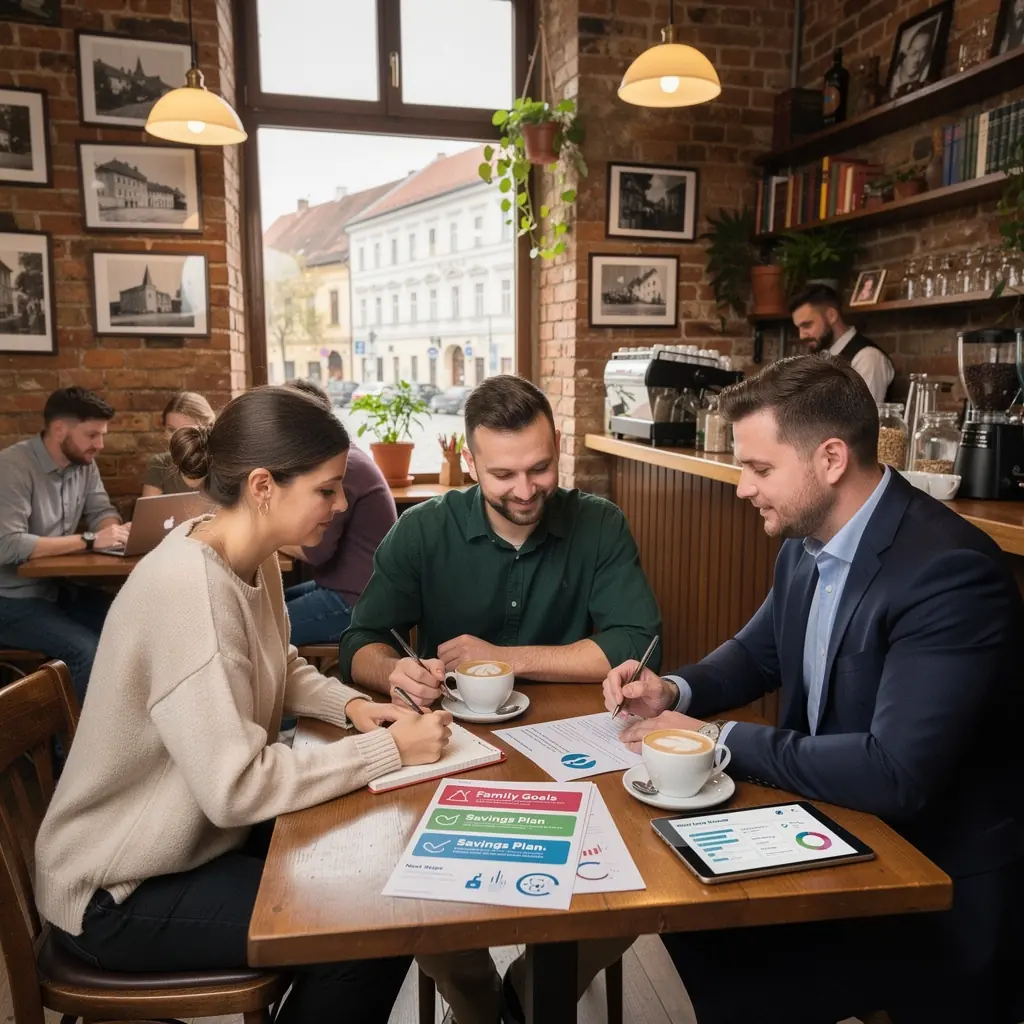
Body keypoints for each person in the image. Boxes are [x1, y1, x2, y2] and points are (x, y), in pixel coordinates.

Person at [602, 355, 1024, 1023]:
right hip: (837, 828)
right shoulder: (805, 543)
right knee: (690, 921)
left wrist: (714, 739)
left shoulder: (949, 572)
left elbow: (894, 773)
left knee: (724, 959)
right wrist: (673, 693)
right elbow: (757, 653)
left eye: (759, 468)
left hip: (931, 884)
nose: (743, 488)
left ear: (831, 459)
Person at [34, 384, 453, 1024]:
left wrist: (352, 709)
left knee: (361, 859)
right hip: (115, 890)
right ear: (262, 487)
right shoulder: (191, 590)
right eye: (326, 490)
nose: (342, 504)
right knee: (368, 930)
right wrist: (388, 749)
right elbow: (236, 787)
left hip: (187, 840)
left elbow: (279, 663)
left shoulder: (244, 557)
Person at [339, 375, 656, 1023]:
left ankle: (525, 998)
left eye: (540, 468)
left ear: (558, 445)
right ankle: (484, 1007)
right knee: (419, 903)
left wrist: (507, 656)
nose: (525, 490)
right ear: (469, 460)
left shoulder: (599, 523)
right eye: (503, 474)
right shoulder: (422, 530)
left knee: (640, 890)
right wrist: (396, 670)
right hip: (448, 754)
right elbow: (359, 644)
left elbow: (633, 641)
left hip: (579, 759)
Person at [0, 387, 128, 703]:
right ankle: (71, 737)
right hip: (10, 600)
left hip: (55, 589)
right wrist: (90, 540)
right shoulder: (12, 466)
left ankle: (120, 726)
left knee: (129, 624)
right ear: (59, 430)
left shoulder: (84, 462)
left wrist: (114, 533)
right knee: (87, 651)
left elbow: (101, 510)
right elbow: (7, 544)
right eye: (92, 435)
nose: (100, 445)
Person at [280, 380, 397, 645]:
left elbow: (316, 551)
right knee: (264, 607)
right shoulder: (344, 457)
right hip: (348, 588)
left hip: (358, 602)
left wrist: (271, 535)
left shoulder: (342, 469)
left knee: (260, 630)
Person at [790, 284, 894, 404]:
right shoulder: (822, 356)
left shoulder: (867, 358)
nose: (802, 336)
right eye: (798, 328)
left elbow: (863, 414)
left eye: (807, 325)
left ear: (831, 316)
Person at [141, 391, 217, 497]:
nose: (177, 438)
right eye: (171, 430)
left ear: (209, 428)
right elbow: (149, 507)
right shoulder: (159, 464)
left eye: (186, 431)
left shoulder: (224, 464)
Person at [889, 19, 937, 97]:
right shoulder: (892, 85)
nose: (917, 59)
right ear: (904, 53)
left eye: (923, 53)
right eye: (914, 52)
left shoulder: (924, 80)